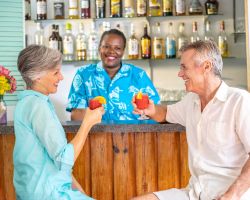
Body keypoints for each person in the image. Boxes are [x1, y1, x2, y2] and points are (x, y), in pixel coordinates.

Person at [132, 40, 250, 200]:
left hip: (230, 195)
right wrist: (151, 110)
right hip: (194, 193)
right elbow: (166, 112)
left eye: (184, 67)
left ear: (206, 67)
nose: (180, 74)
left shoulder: (239, 101)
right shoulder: (191, 101)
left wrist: (232, 195)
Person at [13, 45, 104, 200]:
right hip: (48, 194)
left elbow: (55, 163)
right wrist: (87, 123)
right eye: (56, 72)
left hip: (35, 191)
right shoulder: (38, 106)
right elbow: (63, 160)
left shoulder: (26, 102)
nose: (61, 77)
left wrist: (81, 193)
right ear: (37, 76)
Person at [67, 29, 160, 121]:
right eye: (106, 46)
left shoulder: (139, 75)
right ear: (99, 48)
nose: (111, 51)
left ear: (123, 51)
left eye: (117, 48)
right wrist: (93, 113)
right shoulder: (84, 74)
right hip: (95, 134)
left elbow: (156, 111)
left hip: (133, 134)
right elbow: (75, 116)